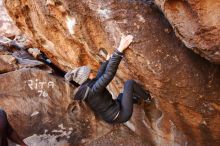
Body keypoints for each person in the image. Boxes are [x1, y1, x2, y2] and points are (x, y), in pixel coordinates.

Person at [65, 35, 152, 123]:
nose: (92, 72)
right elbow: (108, 74)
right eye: (90, 72)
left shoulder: (87, 87)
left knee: (122, 96)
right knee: (129, 83)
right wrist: (119, 50)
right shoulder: (93, 89)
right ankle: (148, 98)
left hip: (110, 117)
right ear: (87, 76)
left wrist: (106, 61)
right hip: (121, 115)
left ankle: (137, 100)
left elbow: (99, 75)